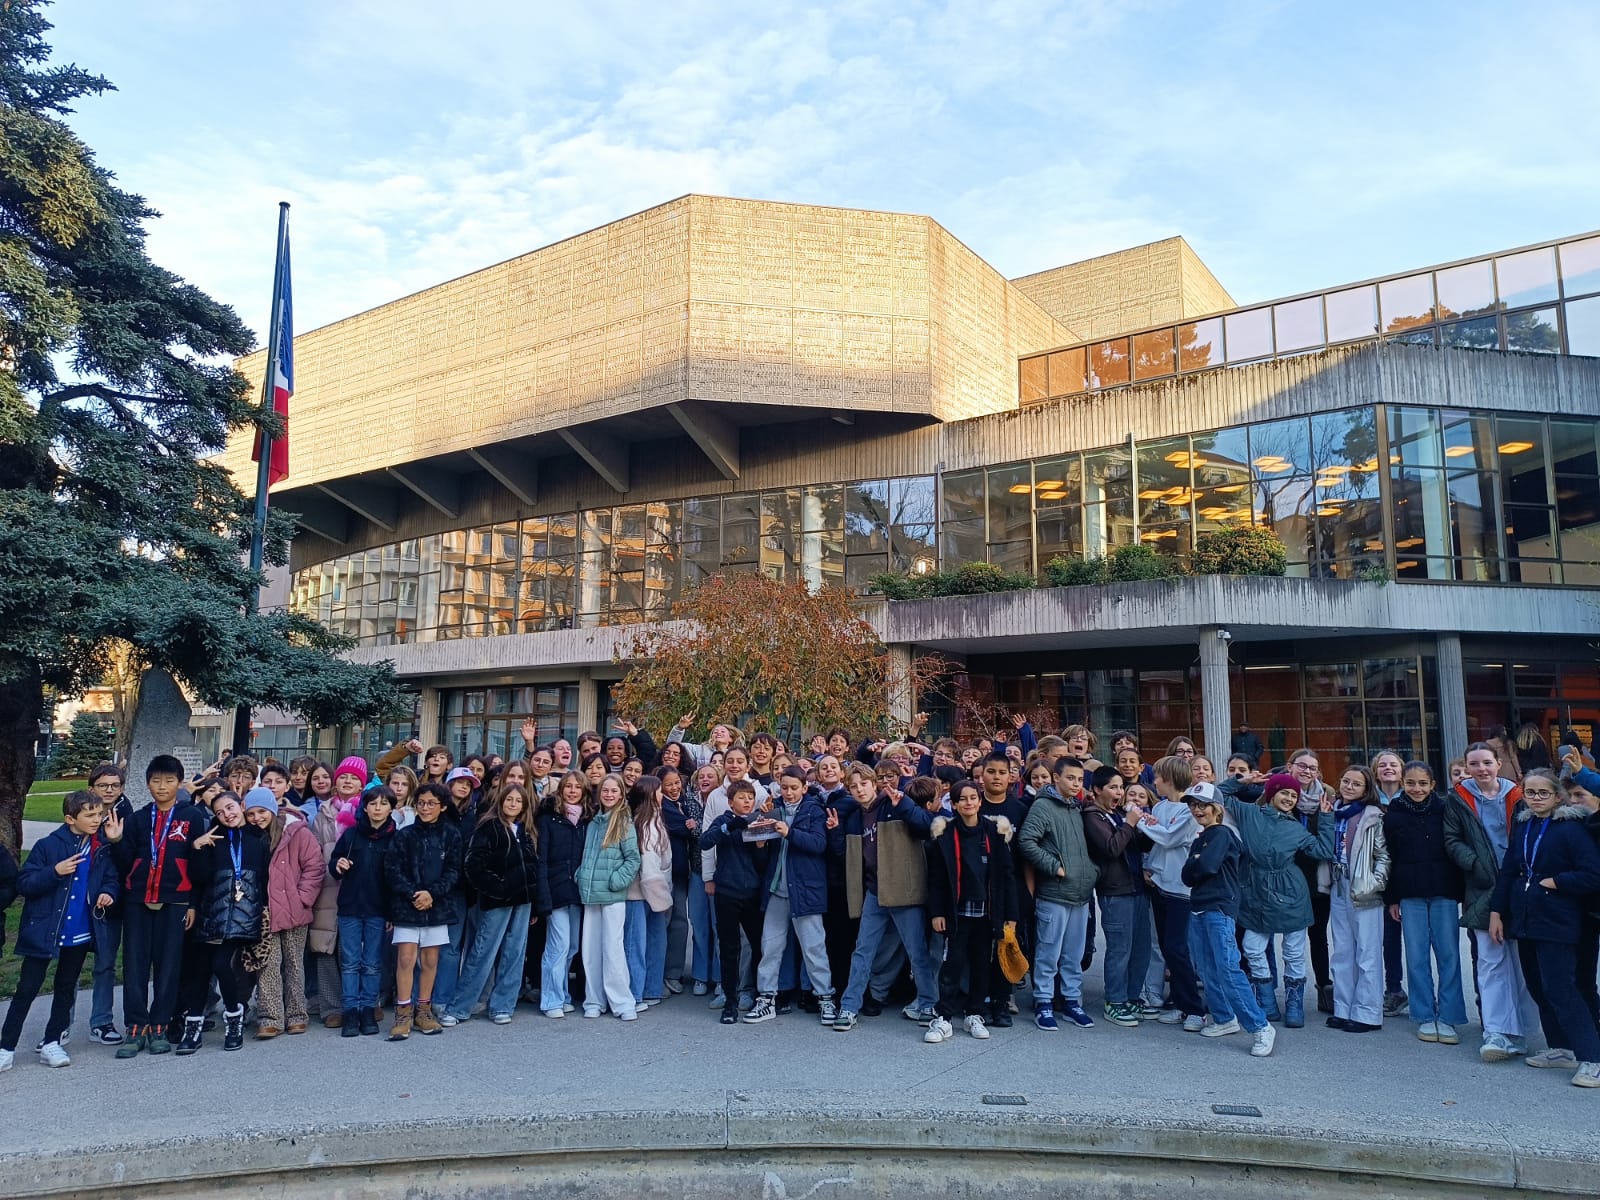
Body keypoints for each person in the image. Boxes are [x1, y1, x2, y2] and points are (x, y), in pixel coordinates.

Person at [1489, 768, 1600, 1087]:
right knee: (1537, 985)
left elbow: (1593, 874)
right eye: (1530, 792)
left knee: (1561, 988)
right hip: (1526, 917)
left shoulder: (1571, 829)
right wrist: (1497, 911)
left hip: (1559, 920)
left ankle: (1592, 1057)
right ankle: (1561, 1047)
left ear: (1557, 796)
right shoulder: (1524, 826)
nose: (1536, 798)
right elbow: (1508, 871)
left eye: (1543, 793)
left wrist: (1556, 882)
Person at [2, 789, 116, 1071]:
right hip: (45, 930)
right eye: (89, 815)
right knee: (27, 989)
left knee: (65, 989)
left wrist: (108, 892)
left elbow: (111, 878)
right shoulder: (47, 846)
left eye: (99, 814)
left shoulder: (101, 848)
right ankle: (6, 1046)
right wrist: (55, 872)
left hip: (80, 932)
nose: (96, 820)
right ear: (70, 819)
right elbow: (24, 883)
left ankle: (52, 1041)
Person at [106, 755, 208, 1058]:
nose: (162, 786)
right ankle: (136, 1027)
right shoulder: (138, 818)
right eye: (156, 780)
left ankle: (160, 1025)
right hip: (138, 901)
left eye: (169, 780)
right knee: (135, 966)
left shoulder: (191, 817)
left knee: (169, 966)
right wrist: (117, 841)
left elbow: (198, 868)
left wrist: (192, 903)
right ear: (148, 783)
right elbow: (126, 864)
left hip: (176, 901)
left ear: (180, 783)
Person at [1218, 770, 1335, 1029]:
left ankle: (1294, 1004)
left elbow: (1324, 850)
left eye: (1294, 795)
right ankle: (1267, 1000)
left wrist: (1326, 818)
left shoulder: (1295, 828)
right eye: (1284, 792)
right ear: (1271, 793)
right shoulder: (1249, 813)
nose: (1289, 798)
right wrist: (1241, 781)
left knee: (1293, 952)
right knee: (1252, 947)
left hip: (1291, 892)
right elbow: (1218, 795)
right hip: (1256, 890)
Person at [831, 767, 940, 1032]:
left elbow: (929, 826)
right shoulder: (855, 816)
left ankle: (928, 1003)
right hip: (874, 891)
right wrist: (835, 831)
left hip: (903, 891)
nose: (859, 789)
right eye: (853, 785)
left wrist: (905, 806)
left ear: (874, 784)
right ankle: (849, 1006)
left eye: (864, 783)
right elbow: (844, 855)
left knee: (917, 951)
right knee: (862, 951)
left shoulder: (894, 804)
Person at [1447, 740, 1530, 1062]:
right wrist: (1474, 863)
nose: (1481, 769)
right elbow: (1451, 839)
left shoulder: (1519, 796)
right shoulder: (1458, 799)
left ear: (1498, 764)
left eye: (1486, 762)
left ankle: (1521, 1030)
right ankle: (1495, 1030)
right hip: (1481, 887)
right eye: (1474, 764)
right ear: (1467, 767)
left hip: (1518, 884)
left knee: (1521, 960)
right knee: (1490, 960)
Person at [1181, 783, 1275, 1057]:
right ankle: (1224, 1018)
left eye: (1202, 805)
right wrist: (1196, 862)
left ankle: (1260, 1026)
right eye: (1193, 805)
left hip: (1219, 908)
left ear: (1216, 808)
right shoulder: (1202, 839)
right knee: (1207, 968)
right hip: (1199, 907)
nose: (1197, 810)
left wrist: (1196, 862)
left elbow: (1206, 866)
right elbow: (1187, 876)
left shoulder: (1222, 834)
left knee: (1227, 968)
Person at [923, 779, 1018, 1044]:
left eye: (973, 797)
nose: (969, 803)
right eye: (962, 799)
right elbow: (936, 879)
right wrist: (937, 912)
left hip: (987, 912)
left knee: (981, 965)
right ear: (953, 804)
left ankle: (974, 1013)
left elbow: (1007, 877)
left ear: (980, 801)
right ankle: (943, 1017)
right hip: (957, 912)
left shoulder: (994, 832)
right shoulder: (945, 834)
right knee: (952, 964)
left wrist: (1010, 915)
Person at [1383, 761, 1468, 1045]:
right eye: (1410, 783)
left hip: (1444, 890)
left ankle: (1449, 1015)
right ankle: (1423, 1014)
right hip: (1410, 893)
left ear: (1433, 784)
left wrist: (1461, 891)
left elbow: (1456, 847)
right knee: (1416, 957)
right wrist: (1392, 898)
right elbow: (1390, 858)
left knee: (1449, 955)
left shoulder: (1445, 809)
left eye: (1422, 783)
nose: (1416, 788)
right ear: (1402, 784)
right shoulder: (1393, 814)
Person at [446, 783, 539, 1026]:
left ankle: (502, 1006)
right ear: (501, 801)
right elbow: (473, 866)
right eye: (509, 799)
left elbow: (533, 866)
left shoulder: (526, 830)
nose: (513, 804)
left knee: (514, 953)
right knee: (483, 951)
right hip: (498, 901)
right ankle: (460, 1007)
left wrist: (534, 899)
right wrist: (499, 888)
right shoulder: (489, 827)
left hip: (523, 902)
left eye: (518, 801)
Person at [186, 790, 271, 1052]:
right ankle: (193, 1027)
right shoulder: (213, 837)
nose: (227, 815)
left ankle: (234, 1016)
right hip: (212, 912)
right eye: (220, 812)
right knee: (200, 969)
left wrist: (263, 910)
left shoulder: (258, 837)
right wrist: (197, 848)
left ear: (241, 805)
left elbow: (264, 878)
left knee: (222, 964)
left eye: (230, 807)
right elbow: (199, 878)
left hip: (242, 916)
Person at [1018, 756, 1097, 1030]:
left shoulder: (1076, 807)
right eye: (1070, 778)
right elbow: (1026, 841)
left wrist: (1092, 870)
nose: (1076, 784)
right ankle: (1043, 1002)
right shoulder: (1043, 806)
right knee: (1048, 952)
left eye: (1080, 779)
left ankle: (1072, 1002)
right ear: (1056, 778)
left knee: (1073, 954)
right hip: (1054, 894)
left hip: (1080, 894)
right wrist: (1054, 867)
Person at [751, 767, 833, 1024]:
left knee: (814, 947)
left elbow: (819, 844)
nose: (788, 792)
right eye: (784, 787)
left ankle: (825, 998)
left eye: (794, 788)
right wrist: (760, 842)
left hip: (805, 890)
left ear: (804, 787)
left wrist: (790, 832)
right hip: (776, 889)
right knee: (770, 947)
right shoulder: (772, 808)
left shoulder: (814, 809)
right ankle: (766, 998)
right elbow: (763, 856)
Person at [385, 782, 463, 1040]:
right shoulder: (404, 835)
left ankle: (423, 1010)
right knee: (406, 959)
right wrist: (413, 894)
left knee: (430, 960)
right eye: (421, 803)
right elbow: (392, 870)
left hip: (437, 906)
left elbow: (453, 871)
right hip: (407, 906)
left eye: (431, 803)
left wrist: (432, 894)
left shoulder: (452, 835)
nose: (426, 808)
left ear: (442, 806)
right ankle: (402, 1013)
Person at [1082, 764, 1154, 1027]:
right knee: (1120, 949)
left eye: (1120, 787)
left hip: (1138, 888)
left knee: (1141, 948)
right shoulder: (1093, 816)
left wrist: (1148, 828)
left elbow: (1138, 845)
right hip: (1115, 891)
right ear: (1097, 790)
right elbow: (1111, 848)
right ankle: (1114, 1000)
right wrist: (1130, 823)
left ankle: (1132, 997)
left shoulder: (1119, 814)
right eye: (1113, 787)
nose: (1119, 792)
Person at [249, 791, 325, 1039]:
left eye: (262, 812)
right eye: (251, 813)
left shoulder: (296, 831)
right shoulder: (248, 835)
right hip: (264, 909)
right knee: (268, 965)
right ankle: (270, 1017)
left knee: (294, 963)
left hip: (293, 908)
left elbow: (314, 866)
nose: (257, 818)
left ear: (272, 810)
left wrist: (302, 898)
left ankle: (296, 1014)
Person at [699, 778, 775, 1025]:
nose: (747, 801)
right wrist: (731, 826)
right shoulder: (724, 820)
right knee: (729, 948)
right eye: (741, 798)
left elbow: (762, 865)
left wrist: (761, 847)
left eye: (750, 798)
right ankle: (729, 1002)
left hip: (752, 893)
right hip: (727, 893)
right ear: (731, 802)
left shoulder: (758, 821)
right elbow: (705, 841)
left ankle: (757, 995)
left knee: (759, 945)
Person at [329, 786, 400, 1036]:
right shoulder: (351, 834)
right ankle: (351, 1010)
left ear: (391, 808)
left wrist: (392, 913)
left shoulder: (395, 837)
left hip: (378, 909)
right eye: (373, 803)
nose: (378, 808)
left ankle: (369, 1009)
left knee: (372, 963)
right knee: (350, 962)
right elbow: (334, 862)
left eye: (383, 803)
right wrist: (338, 864)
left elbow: (396, 879)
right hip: (350, 906)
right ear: (365, 807)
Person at [1325, 767, 1389, 1033]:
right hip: (1338, 884)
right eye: (1346, 781)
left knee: (1367, 951)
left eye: (1356, 784)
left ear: (1366, 789)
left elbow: (1383, 855)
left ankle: (1368, 1012)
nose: (1349, 787)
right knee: (1342, 950)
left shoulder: (1373, 816)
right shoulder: (1332, 811)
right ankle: (1343, 1008)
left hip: (1364, 887)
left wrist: (1374, 884)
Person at [1143, 756, 1205, 1030]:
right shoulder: (1160, 806)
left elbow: (1168, 838)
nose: (1154, 781)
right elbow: (1157, 843)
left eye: (1157, 777)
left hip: (1181, 889)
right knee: (1168, 948)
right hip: (1160, 885)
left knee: (1177, 948)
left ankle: (1195, 1009)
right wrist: (1149, 868)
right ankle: (1180, 1004)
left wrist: (1139, 820)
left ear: (1168, 779)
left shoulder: (1189, 811)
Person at [577, 774, 641, 1020]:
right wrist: (581, 875)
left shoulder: (623, 822)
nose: (609, 794)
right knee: (590, 950)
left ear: (621, 794)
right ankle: (594, 1000)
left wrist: (616, 881)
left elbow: (632, 859)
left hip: (612, 895)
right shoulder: (593, 822)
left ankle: (622, 1002)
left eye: (614, 790)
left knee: (613, 949)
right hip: (590, 894)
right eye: (605, 790)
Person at [535, 771, 591, 1018]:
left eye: (577, 787)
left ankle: (563, 994)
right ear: (561, 789)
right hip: (555, 890)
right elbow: (541, 859)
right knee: (557, 946)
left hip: (577, 893)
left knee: (572, 946)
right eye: (568, 786)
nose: (572, 791)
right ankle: (551, 1000)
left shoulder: (587, 820)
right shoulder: (549, 819)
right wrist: (543, 896)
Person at [84, 764, 131, 1046]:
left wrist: (118, 840)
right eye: (103, 785)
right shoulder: (83, 813)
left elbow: (128, 861)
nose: (109, 790)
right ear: (92, 788)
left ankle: (103, 1021)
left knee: (108, 963)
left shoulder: (128, 815)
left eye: (115, 785)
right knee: (73, 965)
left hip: (116, 899)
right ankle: (61, 1024)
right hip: (85, 899)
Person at [624, 776, 673, 1010]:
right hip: (642, 893)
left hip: (652, 891)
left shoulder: (652, 820)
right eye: (660, 791)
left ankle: (650, 988)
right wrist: (662, 898)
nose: (662, 795)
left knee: (652, 942)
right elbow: (649, 864)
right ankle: (636, 992)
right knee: (638, 944)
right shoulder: (645, 824)